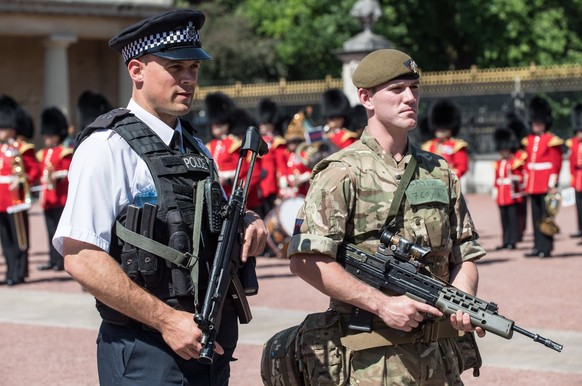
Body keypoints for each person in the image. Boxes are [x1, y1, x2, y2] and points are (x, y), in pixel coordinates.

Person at [53, 9, 267, 385]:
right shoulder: (108, 146)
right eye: (175, 67)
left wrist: (248, 222)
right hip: (147, 349)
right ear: (136, 70)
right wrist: (168, 321)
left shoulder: (195, 145)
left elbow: (204, 218)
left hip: (207, 342)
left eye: (193, 68)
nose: (188, 79)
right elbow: (80, 256)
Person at [288, 49, 486, 385]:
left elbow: (465, 251)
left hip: (438, 359)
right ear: (366, 98)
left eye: (414, 87)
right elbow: (306, 260)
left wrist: (461, 300)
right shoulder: (341, 172)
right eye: (396, 89)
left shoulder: (439, 172)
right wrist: (381, 304)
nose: (410, 97)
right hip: (370, 360)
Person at [0, 95, 41, 286]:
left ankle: (19, 272)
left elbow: (35, 170)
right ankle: (9, 272)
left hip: (16, 200)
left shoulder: (22, 148)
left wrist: (22, 180)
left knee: (19, 239)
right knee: (6, 241)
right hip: (2, 201)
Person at [522, 96, 563, 258]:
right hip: (532, 184)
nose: (536, 125)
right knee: (535, 216)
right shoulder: (529, 140)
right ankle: (537, 246)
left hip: (545, 183)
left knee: (546, 217)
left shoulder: (551, 140)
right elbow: (527, 163)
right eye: (534, 122)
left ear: (545, 122)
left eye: (538, 122)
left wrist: (553, 183)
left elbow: (556, 163)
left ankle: (546, 247)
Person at [36, 107, 73, 271]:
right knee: (50, 231)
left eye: (49, 134)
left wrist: (55, 176)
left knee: (59, 232)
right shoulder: (43, 154)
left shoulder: (64, 153)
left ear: (57, 134)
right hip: (47, 199)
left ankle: (60, 261)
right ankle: (52, 260)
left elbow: (67, 172)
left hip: (60, 198)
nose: (46, 137)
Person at [492, 127, 525, 250]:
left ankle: (513, 241)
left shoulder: (514, 162)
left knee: (512, 219)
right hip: (501, 195)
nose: (503, 152)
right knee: (503, 220)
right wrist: (495, 189)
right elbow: (496, 178)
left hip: (511, 195)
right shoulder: (498, 163)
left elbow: (521, 177)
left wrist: (514, 178)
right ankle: (505, 241)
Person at [422, 98, 470, 179]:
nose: (440, 130)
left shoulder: (457, 146)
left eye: (444, 128)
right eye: (438, 128)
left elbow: (462, 167)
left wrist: (449, 177)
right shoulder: (428, 146)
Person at [566, 103, 582, 238]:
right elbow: (571, 161)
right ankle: (580, 228)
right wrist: (572, 176)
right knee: (579, 206)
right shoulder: (573, 143)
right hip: (577, 177)